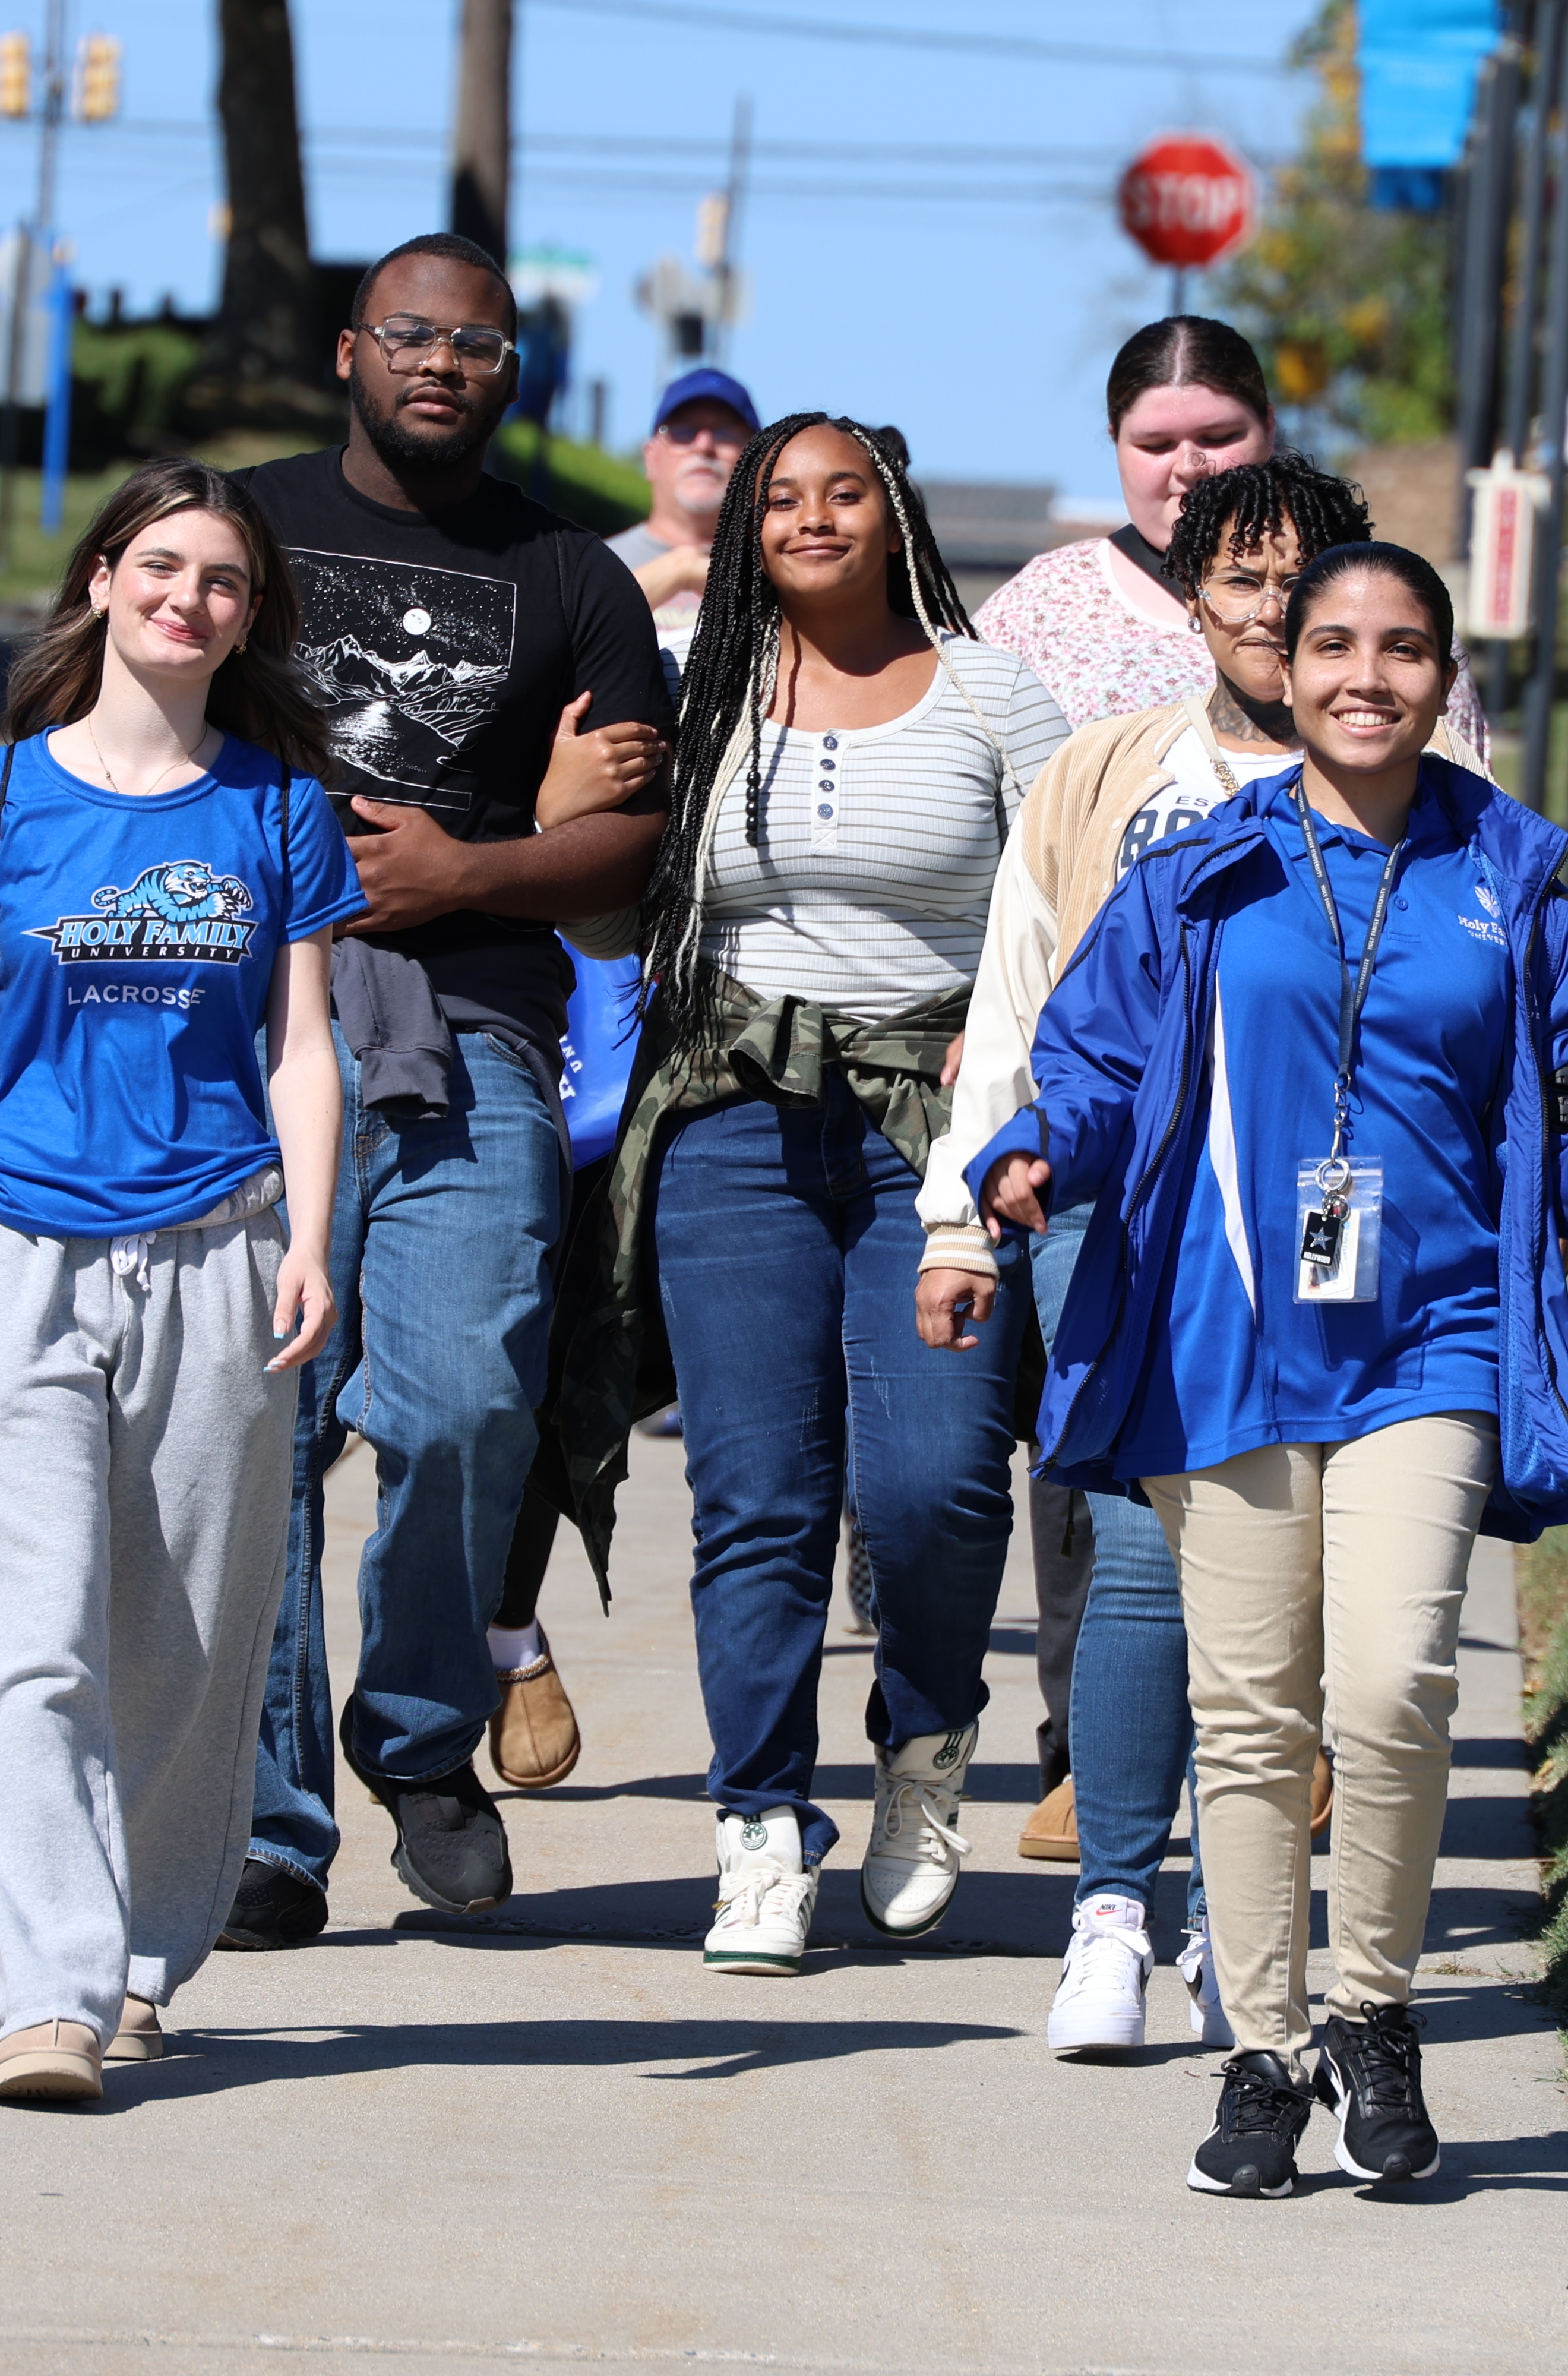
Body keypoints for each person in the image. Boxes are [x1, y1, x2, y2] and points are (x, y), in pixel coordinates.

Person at [969, 542, 1568, 2196]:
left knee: (1391, 1689)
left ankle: (1373, 2020)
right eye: (1332, 646)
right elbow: (1092, 1072)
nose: (1363, 678)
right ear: (1284, 665)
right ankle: (1264, 2054)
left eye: (1401, 650)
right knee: (1246, 1717)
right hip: (1226, 1333)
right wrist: (1035, 1160)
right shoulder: (1199, 873)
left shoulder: (1511, 873)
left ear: (1443, 676)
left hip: (1433, 1333)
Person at [919, 453, 1512, 2057]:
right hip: (1119, 1213)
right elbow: (1025, 1010)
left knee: (1325, 1613)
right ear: (1197, 603)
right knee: (1132, 1549)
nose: (1274, 613)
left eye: (1305, 584)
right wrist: (974, 1201)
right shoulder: (1112, 779)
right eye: (1243, 583)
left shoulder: (1458, 806)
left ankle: (1246, 1932)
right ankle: (1119, 1905)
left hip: (1355, 1248)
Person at [0, 460, 359, 2104]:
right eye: (164, 568)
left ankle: (136, 1959)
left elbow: (304, 1049)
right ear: (106, 579)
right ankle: (39, 1995)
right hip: (13, 1253)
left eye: (226, 585)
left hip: (217, 1252)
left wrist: (312, 1241)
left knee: (185, 1649)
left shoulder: (276, 806)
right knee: (21, 1641)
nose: (190, 601)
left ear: (248, 620)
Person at [545, 413, 1070, 1976]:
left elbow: (1068, 912)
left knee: (935, 1483)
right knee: (755, 1501)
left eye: (847, 490)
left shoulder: (991, 693)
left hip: (931, 1138)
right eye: (784, 495)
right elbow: (602, 934)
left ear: (894, 510)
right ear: (745, 526)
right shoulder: (694, 673)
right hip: (730, 1127)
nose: (815, 515)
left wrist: (1009, 1027)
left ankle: (924, 1742)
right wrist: (569, 801)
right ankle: (759, 1826)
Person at [217, 231, 672, 1951]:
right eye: (408, 334)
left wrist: (460, 873)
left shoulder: (573, 576)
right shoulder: (244, 528)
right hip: (252, 1041)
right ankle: (274, 1825)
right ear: (350, 349)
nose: (439, 363)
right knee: (264, 1433)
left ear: (510, 376)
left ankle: (416, 1740)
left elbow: (630, 837)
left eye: (475, 345)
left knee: (474, 1402)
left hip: (476, 1034)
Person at [606, 367, 758, 633]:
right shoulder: (592, 564)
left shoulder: (784, 568)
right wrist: (682, 568)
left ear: (757, 460)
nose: (704, 445)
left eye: (724, 433)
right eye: (684, 433)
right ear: (651, 457)